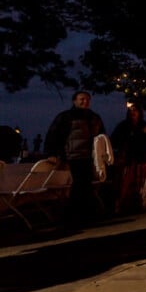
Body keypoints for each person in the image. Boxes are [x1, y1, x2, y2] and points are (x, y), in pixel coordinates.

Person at [44, 90, 106, 225]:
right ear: (74, 101)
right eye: (81, 99)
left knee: (86, 186)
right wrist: (51, 153)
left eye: (87, 99)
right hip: (72, 156)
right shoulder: (65, 117)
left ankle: (86, 216)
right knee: (78, 186)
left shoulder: (94, 117)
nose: (85, 102)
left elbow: (102, 137)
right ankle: (75, 217)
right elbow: (53, 135)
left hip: (90, 157)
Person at [110, 102, 146, 214]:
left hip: (141, 158)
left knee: (142, 183)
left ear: (139, 113)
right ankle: (121, 206)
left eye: (135, 110)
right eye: (131, 111)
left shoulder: (144, 125)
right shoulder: (123, 126)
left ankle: (144, 204)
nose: (133, 113)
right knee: (124, 183)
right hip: (127, 159)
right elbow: (114, 140)